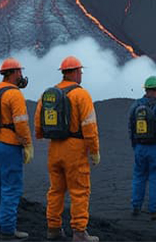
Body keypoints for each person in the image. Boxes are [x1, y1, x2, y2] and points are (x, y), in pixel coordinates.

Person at [34, 56, 101, 242]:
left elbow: (38, 120)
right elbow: (89, 125)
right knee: (79, 190)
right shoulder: (81, 94)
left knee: (55, 190)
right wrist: (94, 150)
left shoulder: (48, 94)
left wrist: (40, 136)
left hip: (54, 148)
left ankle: (53, 229)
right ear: (76, 72)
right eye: (80, 71)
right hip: (75, 149)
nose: (82, 74)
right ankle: (79, 232)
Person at [0, 58, 34, 240]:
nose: (21, 75)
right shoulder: (15, 95)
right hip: (9, 146)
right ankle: (7, 230)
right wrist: (27, 144)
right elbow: (21, 123)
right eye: (19, 72)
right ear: (13, 73)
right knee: (11, 188)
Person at [127, 75, 156, 220]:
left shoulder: (135, 106)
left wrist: (135, 145)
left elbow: (130, 127)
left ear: (146, 89)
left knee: (139, 176)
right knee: (155, 177)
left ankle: (136, 207)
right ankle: (155, 210)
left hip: (140, 147)